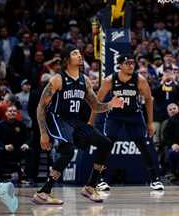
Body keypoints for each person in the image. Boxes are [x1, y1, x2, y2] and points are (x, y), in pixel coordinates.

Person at [32, 45, 124, 205]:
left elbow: (95, 106)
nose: (79, 55)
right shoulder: (58, 79)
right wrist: (43, 133)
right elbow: (40, 106)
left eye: (79, 53)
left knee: (105, 143)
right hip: (57, 118)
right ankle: (43, 192)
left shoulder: (85, 80)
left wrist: (111, 104)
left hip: (74, 121)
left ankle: (90, 186)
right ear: (67, 59)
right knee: (67, 150)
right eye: (75, 53)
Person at [89, 55, 164, 191]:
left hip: (134, 115)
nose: (131, 65)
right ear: (120, 66)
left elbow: (148, 100)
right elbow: (97, 102)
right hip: (115, 116)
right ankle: (99, 179)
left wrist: (150, 123)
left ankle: (155, 179)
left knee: (143, 144)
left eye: (132, 63)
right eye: (127, 63)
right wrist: (90, 123)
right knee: (106, 144)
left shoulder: (140, 80)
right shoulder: (109, 80)